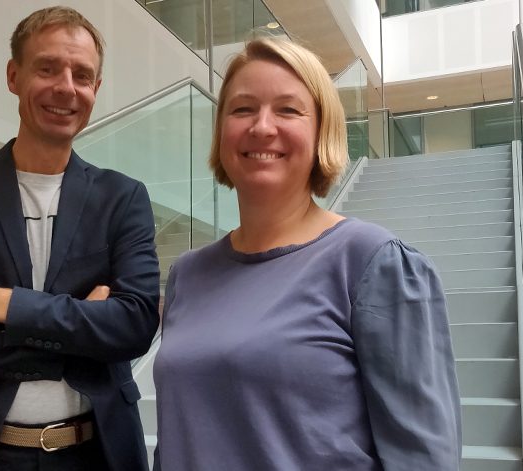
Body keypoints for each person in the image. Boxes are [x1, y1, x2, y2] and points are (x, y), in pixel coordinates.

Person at [153, 36, 461, 470]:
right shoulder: (188, 274)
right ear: (222, 131)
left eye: (288, 109)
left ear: (322, 132)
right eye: (242, 109)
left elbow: (423, 459)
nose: (262, 126)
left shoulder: (374, 263)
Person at [0, 6, 160, 471]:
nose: (66, 87)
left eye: (82, 75)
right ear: (13, 75)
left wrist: (8, 307)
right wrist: (81, 327)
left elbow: (135, 326)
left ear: (95, 90)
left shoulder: (123, 198)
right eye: (47, 68)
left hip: (97, 454)